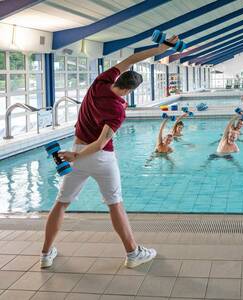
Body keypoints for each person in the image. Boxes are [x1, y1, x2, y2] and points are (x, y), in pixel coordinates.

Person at [40, 35, 179, 269]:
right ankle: (133, 253)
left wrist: (161, 47)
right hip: (99, 158)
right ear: (128, 91)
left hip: (77, 150)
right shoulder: (117, 110)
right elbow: (102, 143)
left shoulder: (100, 82)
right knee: (115, 204)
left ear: (118, 78)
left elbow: (133, 58)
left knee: (61, 203)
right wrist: (77, 156)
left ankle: (45, 254)